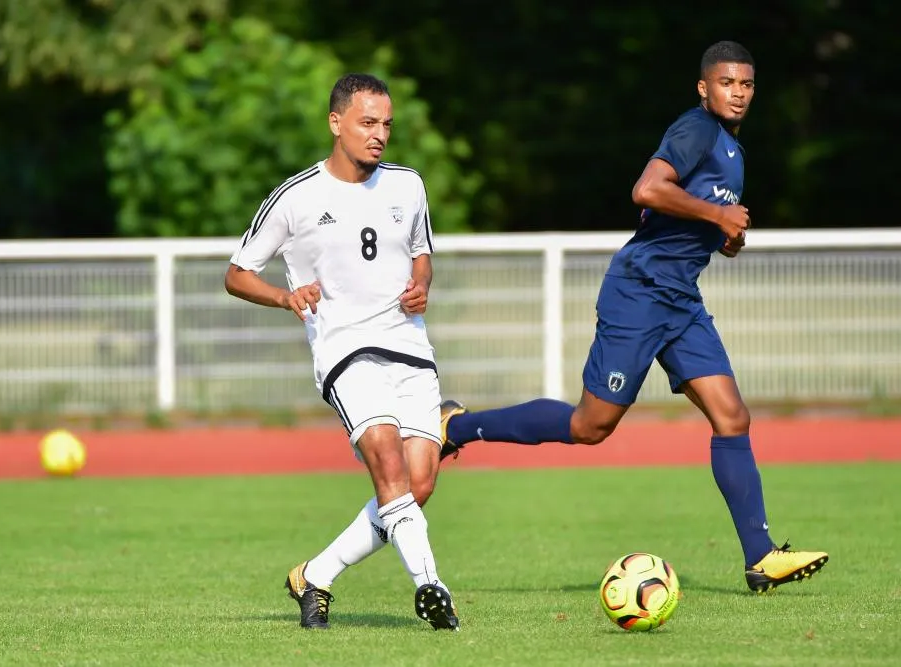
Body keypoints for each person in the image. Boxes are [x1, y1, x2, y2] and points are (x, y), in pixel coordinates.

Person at [436, 41, 828, 593]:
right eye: (726, 83)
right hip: (639, 294)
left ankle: (761, 558)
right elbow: (646, 189)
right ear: (704, 87)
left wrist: (724, 236)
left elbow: (683, 216)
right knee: (589, 427)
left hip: (680, 301)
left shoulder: (733, 151)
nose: (737, 93)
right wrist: (719, 213)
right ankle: (458, 425)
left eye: (746, 84)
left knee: (732, 418)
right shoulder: (695, 129)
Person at [224, 73, 458, 631]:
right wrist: (286, 297)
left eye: (386, 125)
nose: (379, 135)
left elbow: (421, 253)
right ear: (336, 123)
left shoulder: (408, 185)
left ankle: (317, 575)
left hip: (409, 347)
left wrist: (423, 282)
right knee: (386, 462)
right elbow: (236, 275)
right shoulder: (296, 197)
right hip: (345, 350)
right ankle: (430, 584)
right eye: (367, 123)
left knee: (417, 485)